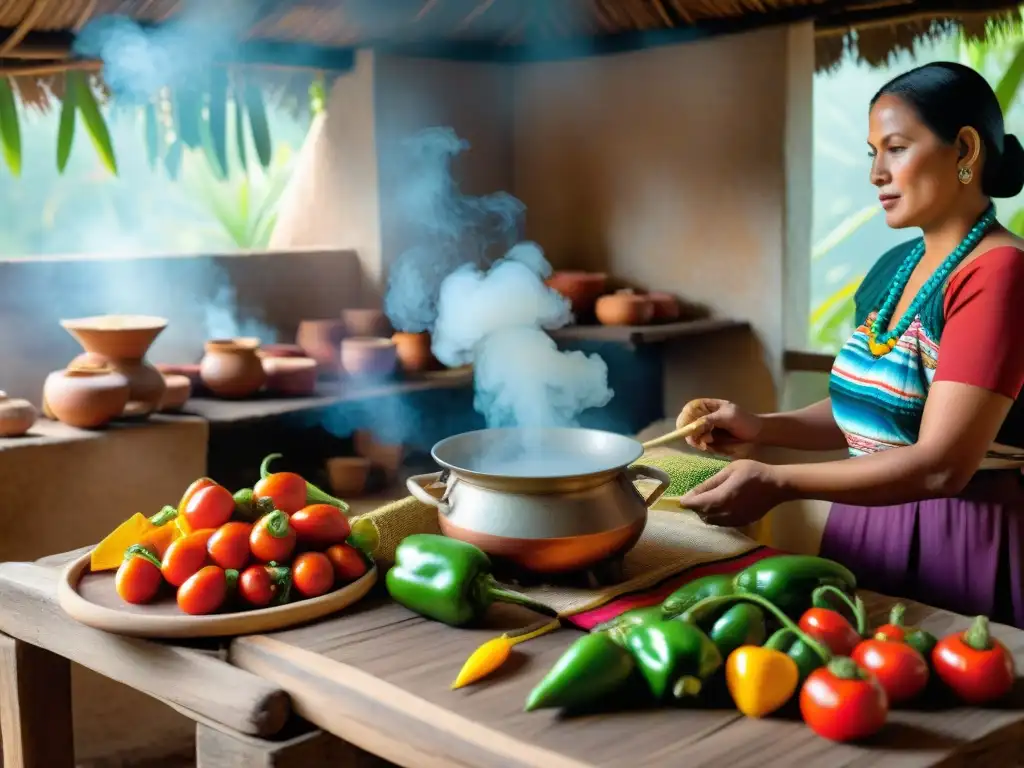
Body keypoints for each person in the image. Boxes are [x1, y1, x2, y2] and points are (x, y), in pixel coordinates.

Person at [675, 61, 1024, 628]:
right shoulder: (895, 268)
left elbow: (942, 467)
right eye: (872, 153)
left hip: (961, 541)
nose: (877, 174)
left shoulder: (999, 275)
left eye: (896, 148)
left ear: (964, 149)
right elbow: (871, 413)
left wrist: (779, 481)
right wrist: (763, 427)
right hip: (864, 530)